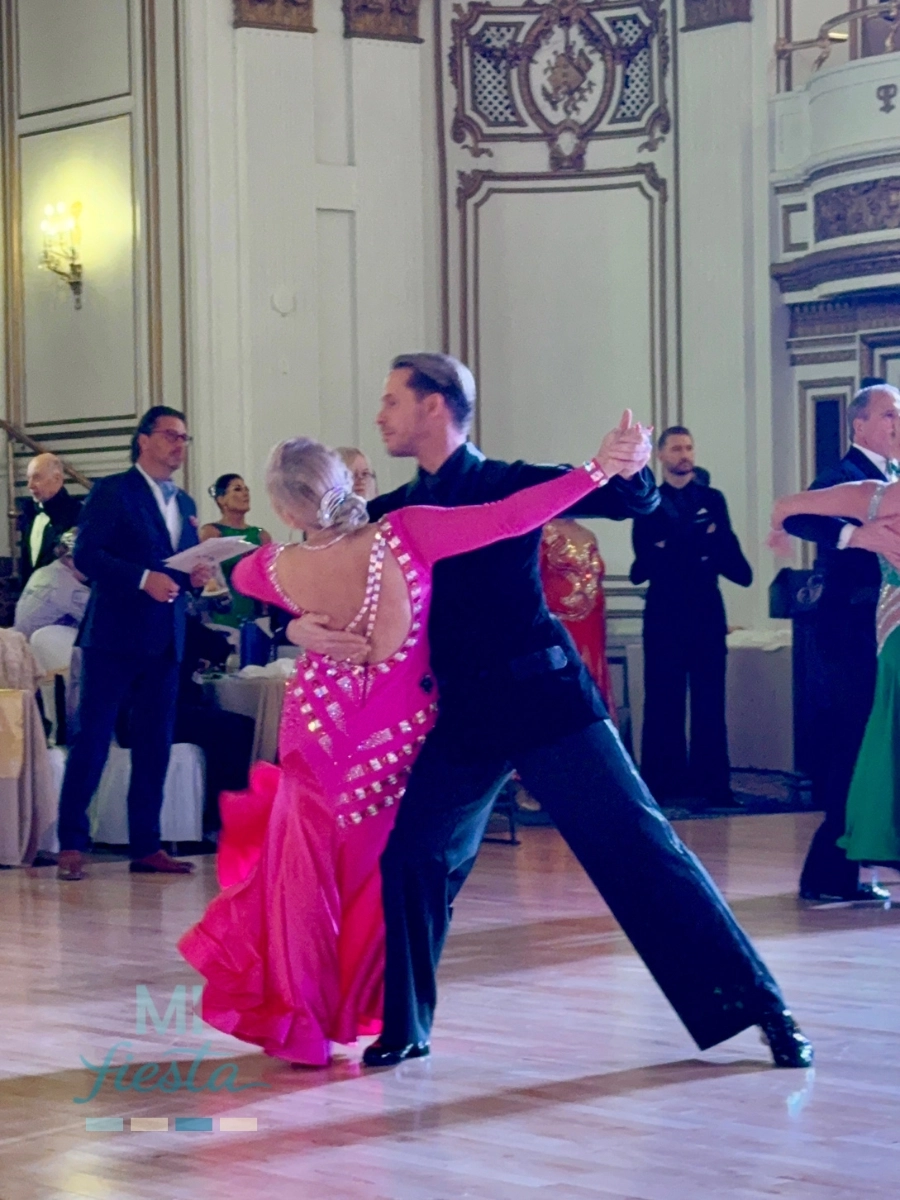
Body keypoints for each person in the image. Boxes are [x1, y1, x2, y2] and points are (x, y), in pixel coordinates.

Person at [292, 353, 813, 1072]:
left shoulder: (509, 481)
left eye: (391, 401)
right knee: (414, 857)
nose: (379, 415)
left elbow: (627, 503)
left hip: (546, 700)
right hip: (465, 716)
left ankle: (763, 1010)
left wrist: (629, 468)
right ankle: (407, 1026)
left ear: (435, 406)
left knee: (643, 850)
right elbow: (313, 575)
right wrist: (297, 626)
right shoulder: (392, 512)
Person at [178, 432, 629, 1065]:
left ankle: (304, 1019)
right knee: (378, 870)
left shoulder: (273, 566)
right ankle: (378, 1010)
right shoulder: (405, 532)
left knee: (305, 871)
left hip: (315, 731)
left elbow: (236, 574)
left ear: (282, 509)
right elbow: (510, 517)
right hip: (391, 735)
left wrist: (294, 625)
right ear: (347, 484)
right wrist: (596, 471)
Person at [55, 406, 213, 882]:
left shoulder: (184, 502)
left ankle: (147, 844)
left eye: (184, 438)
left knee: (155, 744)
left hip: (165, 638)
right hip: (113, 636)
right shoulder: (112, 490)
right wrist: (143, 578)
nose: (179, 445)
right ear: (143, 440)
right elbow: (87, 555)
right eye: (170, 435)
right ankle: (71, 843)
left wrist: (194, 578)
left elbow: (175, 568)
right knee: (93, 740)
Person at [781, 384, 900, 903]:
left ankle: (853, 865)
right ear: (859, 424)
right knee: (854, 743)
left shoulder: (894, 476)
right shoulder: (844, 474)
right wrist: (856, 536)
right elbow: (798, 515)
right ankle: (828, 874)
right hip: (851, 632)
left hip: (882, 632)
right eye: (889, 414)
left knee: (876, 747)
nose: (898, 423)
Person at [630, 426, 752, 810]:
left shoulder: (713, 499)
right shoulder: (649, 501)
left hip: (706, 611)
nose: (684, 455)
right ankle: (661, 785)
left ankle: (714, 786)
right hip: (664, 613)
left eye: (689, 448)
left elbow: (726, 549)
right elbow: (643, 560)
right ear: (661, 456)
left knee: (710, 700)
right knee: (662, 699)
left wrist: (674, 545)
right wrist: (698, 541)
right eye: (676, 449)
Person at [539, 518, 616, 717]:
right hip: (557, 625)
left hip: (591, 621)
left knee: (592, 674)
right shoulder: (541, 534)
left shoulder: (587, 535)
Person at [199, 474, 271, 628]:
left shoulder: (261, 535)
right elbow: (206, 575)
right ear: (221, 499)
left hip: (256, 614)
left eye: (246, 489)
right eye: (238, 489)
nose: (245, 494)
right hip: (222, 614)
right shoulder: (212, 532)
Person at [13, 529, 90, 640]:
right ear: (71, 559)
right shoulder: (71, 588)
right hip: (42, 647)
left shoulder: (43, 572)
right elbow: (99, 621)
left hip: (23, 643)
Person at [19, 453, 82, 585]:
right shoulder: (29, 514)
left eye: (36, 477)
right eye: (28, 478)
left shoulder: (78, 514)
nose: (30, 485)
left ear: (57, 478)